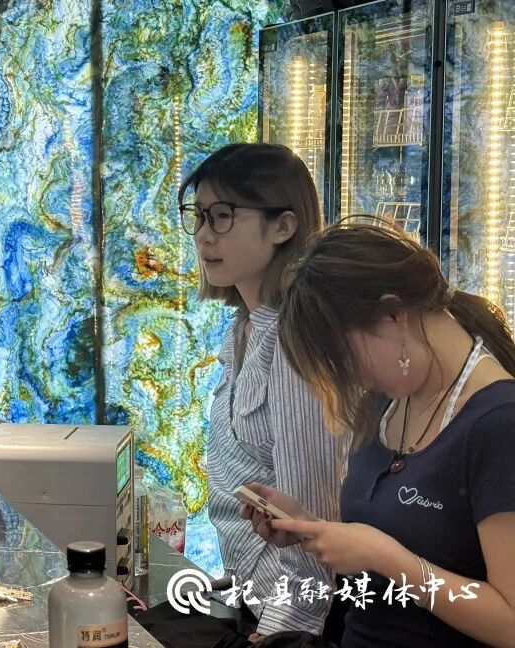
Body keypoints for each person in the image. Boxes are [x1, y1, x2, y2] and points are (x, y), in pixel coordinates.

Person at [245, 222, 515, 647]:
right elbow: (398, 540)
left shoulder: (498, 423)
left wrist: (384, 556)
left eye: (343, 357)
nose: (351, 378)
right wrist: (312, 528)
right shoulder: (386, 403)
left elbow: (510, 621)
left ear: (394, 315)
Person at [174, 143, 343, 640]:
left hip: (292, 622)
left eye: (223, 216)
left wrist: (278, 633)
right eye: (198, 216)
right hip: (249, 597)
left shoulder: (295, 342)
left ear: (283, 226)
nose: (204, 234)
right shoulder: (243, 327)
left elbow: (311, 523)